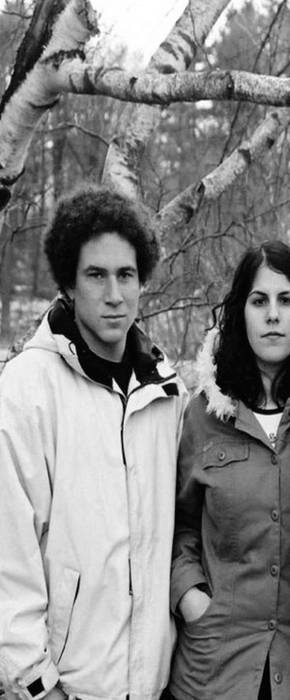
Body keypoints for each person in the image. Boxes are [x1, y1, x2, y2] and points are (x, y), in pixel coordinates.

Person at [0, 185, 187, 700]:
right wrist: (37, 684)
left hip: (153, 687)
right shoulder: (26, 390)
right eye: (96, 275)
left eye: (126, 275)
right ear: (68, 282)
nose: (114, 294)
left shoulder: (167, 394)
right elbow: (8, 558)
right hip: (62, 689)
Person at [167, 241, 290, 700]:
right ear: (240, 312)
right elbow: (178, 527)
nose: (273, 315)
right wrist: (191, 597)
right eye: (259, 301)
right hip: (215, 667)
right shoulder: (203, 414)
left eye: (286, 300)